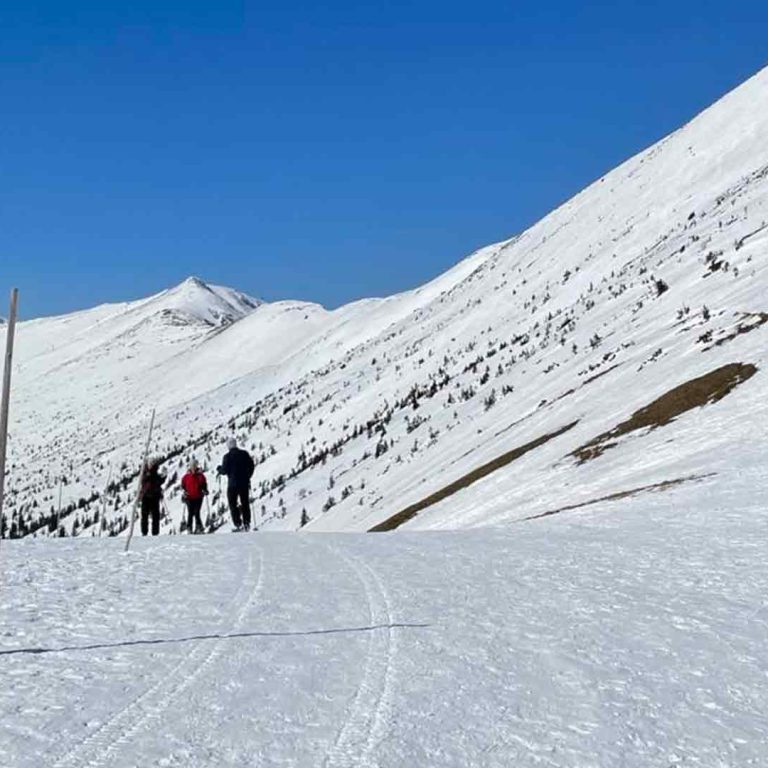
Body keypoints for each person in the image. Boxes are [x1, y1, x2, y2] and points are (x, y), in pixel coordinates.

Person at [217, 437, 255, 531]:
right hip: (244, 483)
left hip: (232, 484)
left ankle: (238, 523)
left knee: (232, 504)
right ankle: (247, 523)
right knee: (245, 502)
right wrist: (248, 476)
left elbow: (224, 471)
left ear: (229, 446)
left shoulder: (227, 456)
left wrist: (219, 469)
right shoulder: (244, 454)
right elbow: (251, 466)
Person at [181, 459, 208, 534]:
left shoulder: (200, 476)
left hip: (198, 497)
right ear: (190, 466)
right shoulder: (186, 476)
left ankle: (198, 527)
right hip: (189, 497)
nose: (193, 467)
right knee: (190, 512)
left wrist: (205, 490)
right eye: (192, 466)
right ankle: (190, 527)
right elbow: (183, 485)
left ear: (196, 466)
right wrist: (184, 492)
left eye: (194, 465)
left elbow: (204, 484)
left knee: (197, 512)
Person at [140, 457, 165, 536]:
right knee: (148, 516)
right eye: (150, 464)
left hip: (151, 496)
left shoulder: (149, 473)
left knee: (152, 516)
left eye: (152, 464)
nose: (151, 465)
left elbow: (158, 482)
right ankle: (147, 532)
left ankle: (151, 532)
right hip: (149, 496)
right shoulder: (148, 473)